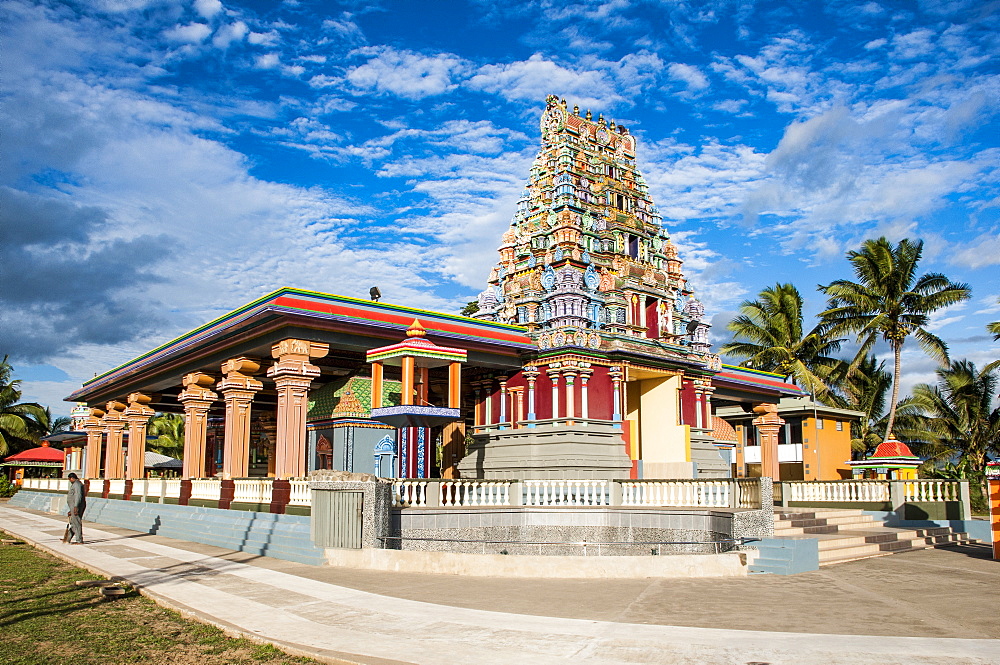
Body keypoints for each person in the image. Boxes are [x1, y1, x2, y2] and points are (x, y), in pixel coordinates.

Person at [65, 473, 86, 544]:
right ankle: (67, 538)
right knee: (73, 523)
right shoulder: (75, 484)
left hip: (76, 507)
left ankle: (79, 540)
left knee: (76, 523)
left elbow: (78, 496)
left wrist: (76, 506)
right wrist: (71, 509)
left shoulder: (77, 484)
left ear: (71, 478)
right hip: (73, 507)